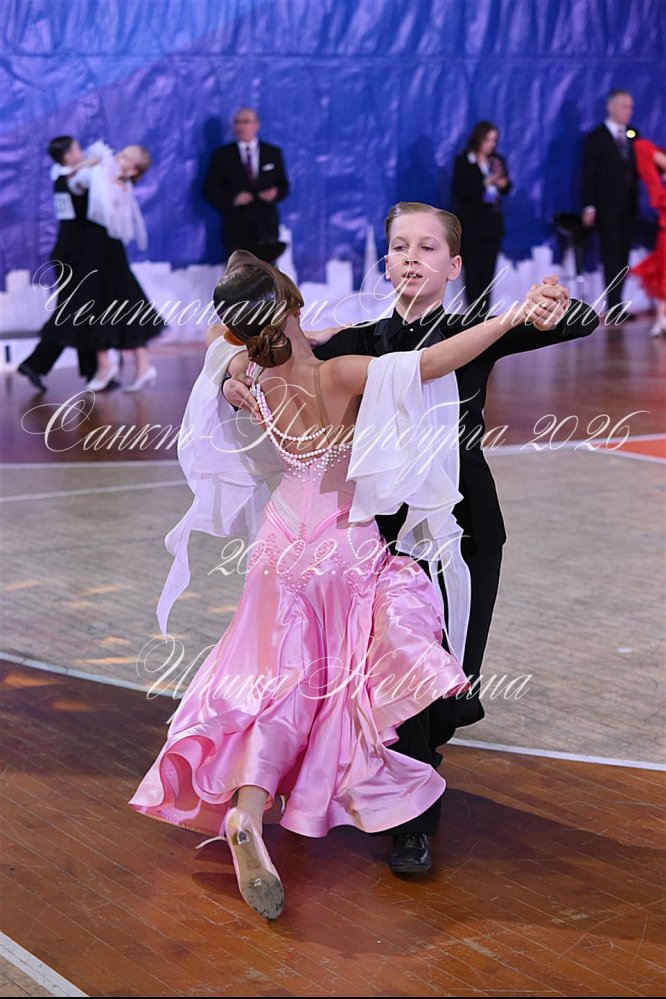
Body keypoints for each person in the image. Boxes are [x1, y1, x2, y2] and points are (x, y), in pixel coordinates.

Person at [128, 249, 565, 921]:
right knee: (372, 651)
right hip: (342, 545)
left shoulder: (252, 375)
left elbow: (227, 343)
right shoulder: (337, 373)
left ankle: (246, 811)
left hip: (278, 546)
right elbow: (430, 363)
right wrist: (510, 318)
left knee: (273, 684)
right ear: (293, 307)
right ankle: (384, 787)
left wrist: (240, 363)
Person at [225, 202, 599, 878]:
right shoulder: (358, 340)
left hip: (466, 527)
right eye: (400, 246)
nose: (411, 258)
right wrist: (232, 381)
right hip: (382, 536)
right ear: (386, 259)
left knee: (451, 682)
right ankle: (412, 826)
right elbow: (271, 353)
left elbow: (582, 320)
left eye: (427, 248)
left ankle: (412, 768)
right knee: (404, 670)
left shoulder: (474, 331)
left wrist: (552, 303)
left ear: (454, 266)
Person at [50, 142, 166, 392]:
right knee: (100, 301)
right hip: (96, 248)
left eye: (126, 158)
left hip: (105, 249)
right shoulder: (100, 173)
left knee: (119, 301)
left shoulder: (116, 184)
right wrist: (90, 165)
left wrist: (94, 169)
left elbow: (112, 219)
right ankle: (114, 364)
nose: (118, 157)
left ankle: (134, 365)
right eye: (121, 153)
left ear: (133, 170)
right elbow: (73, 181)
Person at [17, 136, 107, 392]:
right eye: (77, 149)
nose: (82, 152)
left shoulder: (60, 173)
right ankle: (35, 364)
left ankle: (91, 371)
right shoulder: (74, 177)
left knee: (82, 312)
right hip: (74, 255)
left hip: (70, 252)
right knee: (72, 313)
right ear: (67, 156)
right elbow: (94, 163)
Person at [204, 107, 289, 263]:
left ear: (256, 125)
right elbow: (210, 189)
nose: (241, 126)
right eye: (237, 122)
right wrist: (234, 199)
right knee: (239, 274)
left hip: (266, 229)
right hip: (237, 228)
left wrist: (275, 193)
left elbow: (283, 185)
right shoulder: (222, 155)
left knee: (266, 274)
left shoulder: (272, 153)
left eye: (246, 121)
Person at [582, 89, 638, 322]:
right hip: (607, 208)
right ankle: (613, 306)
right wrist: (589, 205)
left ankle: (619, 303)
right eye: (625, 106)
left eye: (630, 107)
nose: (629, 112)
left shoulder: (632, 135)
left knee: (623, 257)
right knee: (611, 255)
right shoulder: (597, 138)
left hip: (628, 208)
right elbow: (588, 175)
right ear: (611, 107)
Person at [452, 121, 512, 318]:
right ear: (478, 139)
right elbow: (459, 190)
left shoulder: (496, 160)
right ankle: (473, 314)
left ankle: (485, 314)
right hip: (472, 225)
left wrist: (503, 183)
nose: (491, 144)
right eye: (488, 140)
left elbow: (507, 187)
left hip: (492, 224)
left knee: (488, 272)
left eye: (494, 140)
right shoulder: (464, 161)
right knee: (473, 271)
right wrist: (484, 182)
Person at [630, 139, 666, 336]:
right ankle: (661, 319)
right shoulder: (659, 187)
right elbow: (641, 147)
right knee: (663, 276)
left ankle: (661, 320)